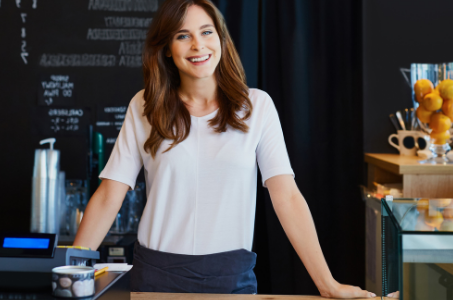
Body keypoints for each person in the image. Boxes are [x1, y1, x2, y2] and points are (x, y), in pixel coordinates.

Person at [73, 0, 375, 298]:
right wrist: (72, 273)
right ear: (166, 47)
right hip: (154, 276)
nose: (197, 45)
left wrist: (328, 284)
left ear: (221, 39)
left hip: (231, 277)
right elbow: (109, 194)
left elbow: (287, 196)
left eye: (206, 32)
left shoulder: (257, 107)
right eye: (182, 35)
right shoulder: (144, 106)